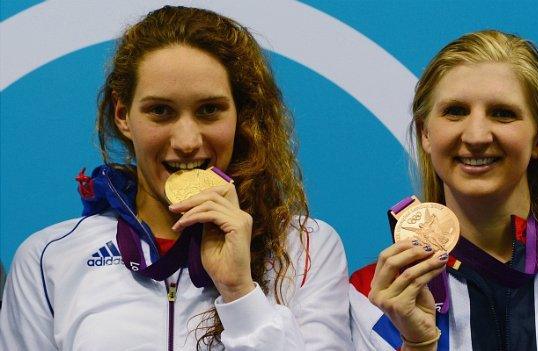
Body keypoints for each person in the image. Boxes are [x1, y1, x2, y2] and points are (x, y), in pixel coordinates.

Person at [0, 6, 352, 350]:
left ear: (239, 114)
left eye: (209, 110)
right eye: (160, 111)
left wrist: (240, 292)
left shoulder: (305, 248)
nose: (187, 141)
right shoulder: (49, 259)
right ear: (123, 115)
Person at [349, 30, 538, 351]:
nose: (477, 135)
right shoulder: (375, 297)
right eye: (455, 111)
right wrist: (418, 344)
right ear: (425, 133)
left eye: (502, 113)